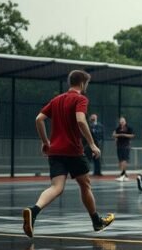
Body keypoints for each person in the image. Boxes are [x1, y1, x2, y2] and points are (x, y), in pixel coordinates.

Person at [21, 70, 115, 238]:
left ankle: (33, 211)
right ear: (82, 83)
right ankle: (96, 222)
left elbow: (39, 119)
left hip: (55, 151)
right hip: (73, 151)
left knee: (56, 187)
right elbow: (80, 120)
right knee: (85, 185)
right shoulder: (80, 99)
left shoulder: (57, 100)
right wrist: (92, 144)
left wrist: (45, 142)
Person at [112, 116, 134, 181]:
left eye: (123, 121)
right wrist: (117, 136)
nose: (121, 123)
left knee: (124, 159)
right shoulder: (117, 128)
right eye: (120, 122)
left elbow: (132, 135)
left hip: (126, 146)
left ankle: (123, 174)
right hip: (119, 146)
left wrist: (124, 135)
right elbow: (114, 135)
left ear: (125, 122)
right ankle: (124, 173)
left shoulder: (129, 128)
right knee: (120, 160)